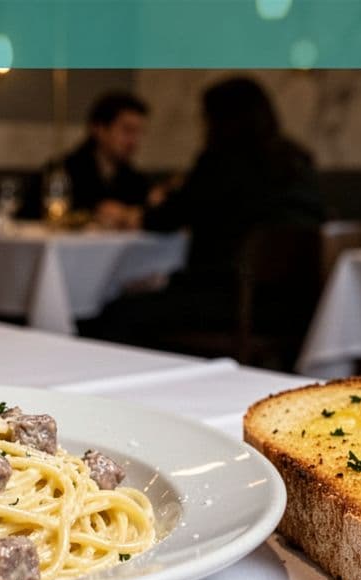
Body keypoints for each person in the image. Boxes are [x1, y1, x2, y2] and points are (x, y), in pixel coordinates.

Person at [81, 77, 326, 366]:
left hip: (232, 300)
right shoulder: (297, 161)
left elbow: (167, 217)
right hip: (297, 306)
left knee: (112, 314)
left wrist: (127, 216)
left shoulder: (221, 161)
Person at [54, 91, 151, 220]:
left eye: (139, 133)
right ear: (99, 129)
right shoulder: (61, 171)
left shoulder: (136, 180)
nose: (134, 141)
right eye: (127, 130)